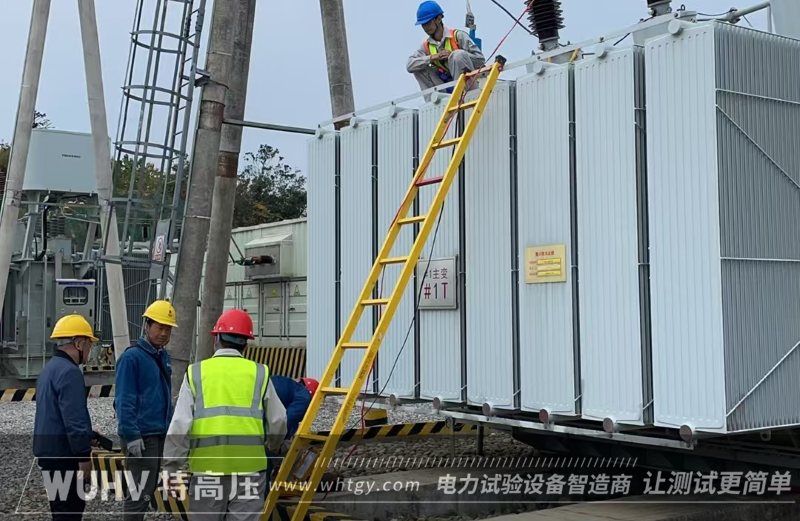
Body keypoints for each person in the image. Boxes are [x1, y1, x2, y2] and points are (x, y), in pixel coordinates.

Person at [162, 309, 287, 521]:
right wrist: (273, 445)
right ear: (245, 344)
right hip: (250, 471)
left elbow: (180, 424)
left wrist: (171, 467)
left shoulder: (196, 373)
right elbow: (279, 419)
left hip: (207, 470)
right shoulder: (259, 373)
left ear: (217, 339)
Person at [33, 314, 101, 521]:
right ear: (79, 343)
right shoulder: (70, 372)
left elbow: (56, 416)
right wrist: (83, 456)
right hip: (65, 458)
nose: (89, 351)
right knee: (70, 512)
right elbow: (74, 418)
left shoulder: (50, 369)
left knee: (60, 510)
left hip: (49, 455)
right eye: (89, 345)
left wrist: (87, 434)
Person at [114, 300, 177, 521]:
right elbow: (124, 400)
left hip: (157, 433)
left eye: (168, 328)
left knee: (147, 489)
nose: (164, 333)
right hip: (142, 436)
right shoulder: (132, 358)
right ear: (147, 325)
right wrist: (131, 435)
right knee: (139, 493)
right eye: (159, 327)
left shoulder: (161, 356)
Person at [406, 0, 486, 100]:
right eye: (423, 24)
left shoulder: (458, 36)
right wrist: (433, 57)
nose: (425, 27)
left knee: (458, 55)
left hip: (468, 87)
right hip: (446, 88)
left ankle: (463, 96)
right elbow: (409, 65)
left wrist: (452, 55)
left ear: (439, 19)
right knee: (417, 67)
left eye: (428, 22)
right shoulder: (426, 46)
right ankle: (434, 103)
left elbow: (480, 60)